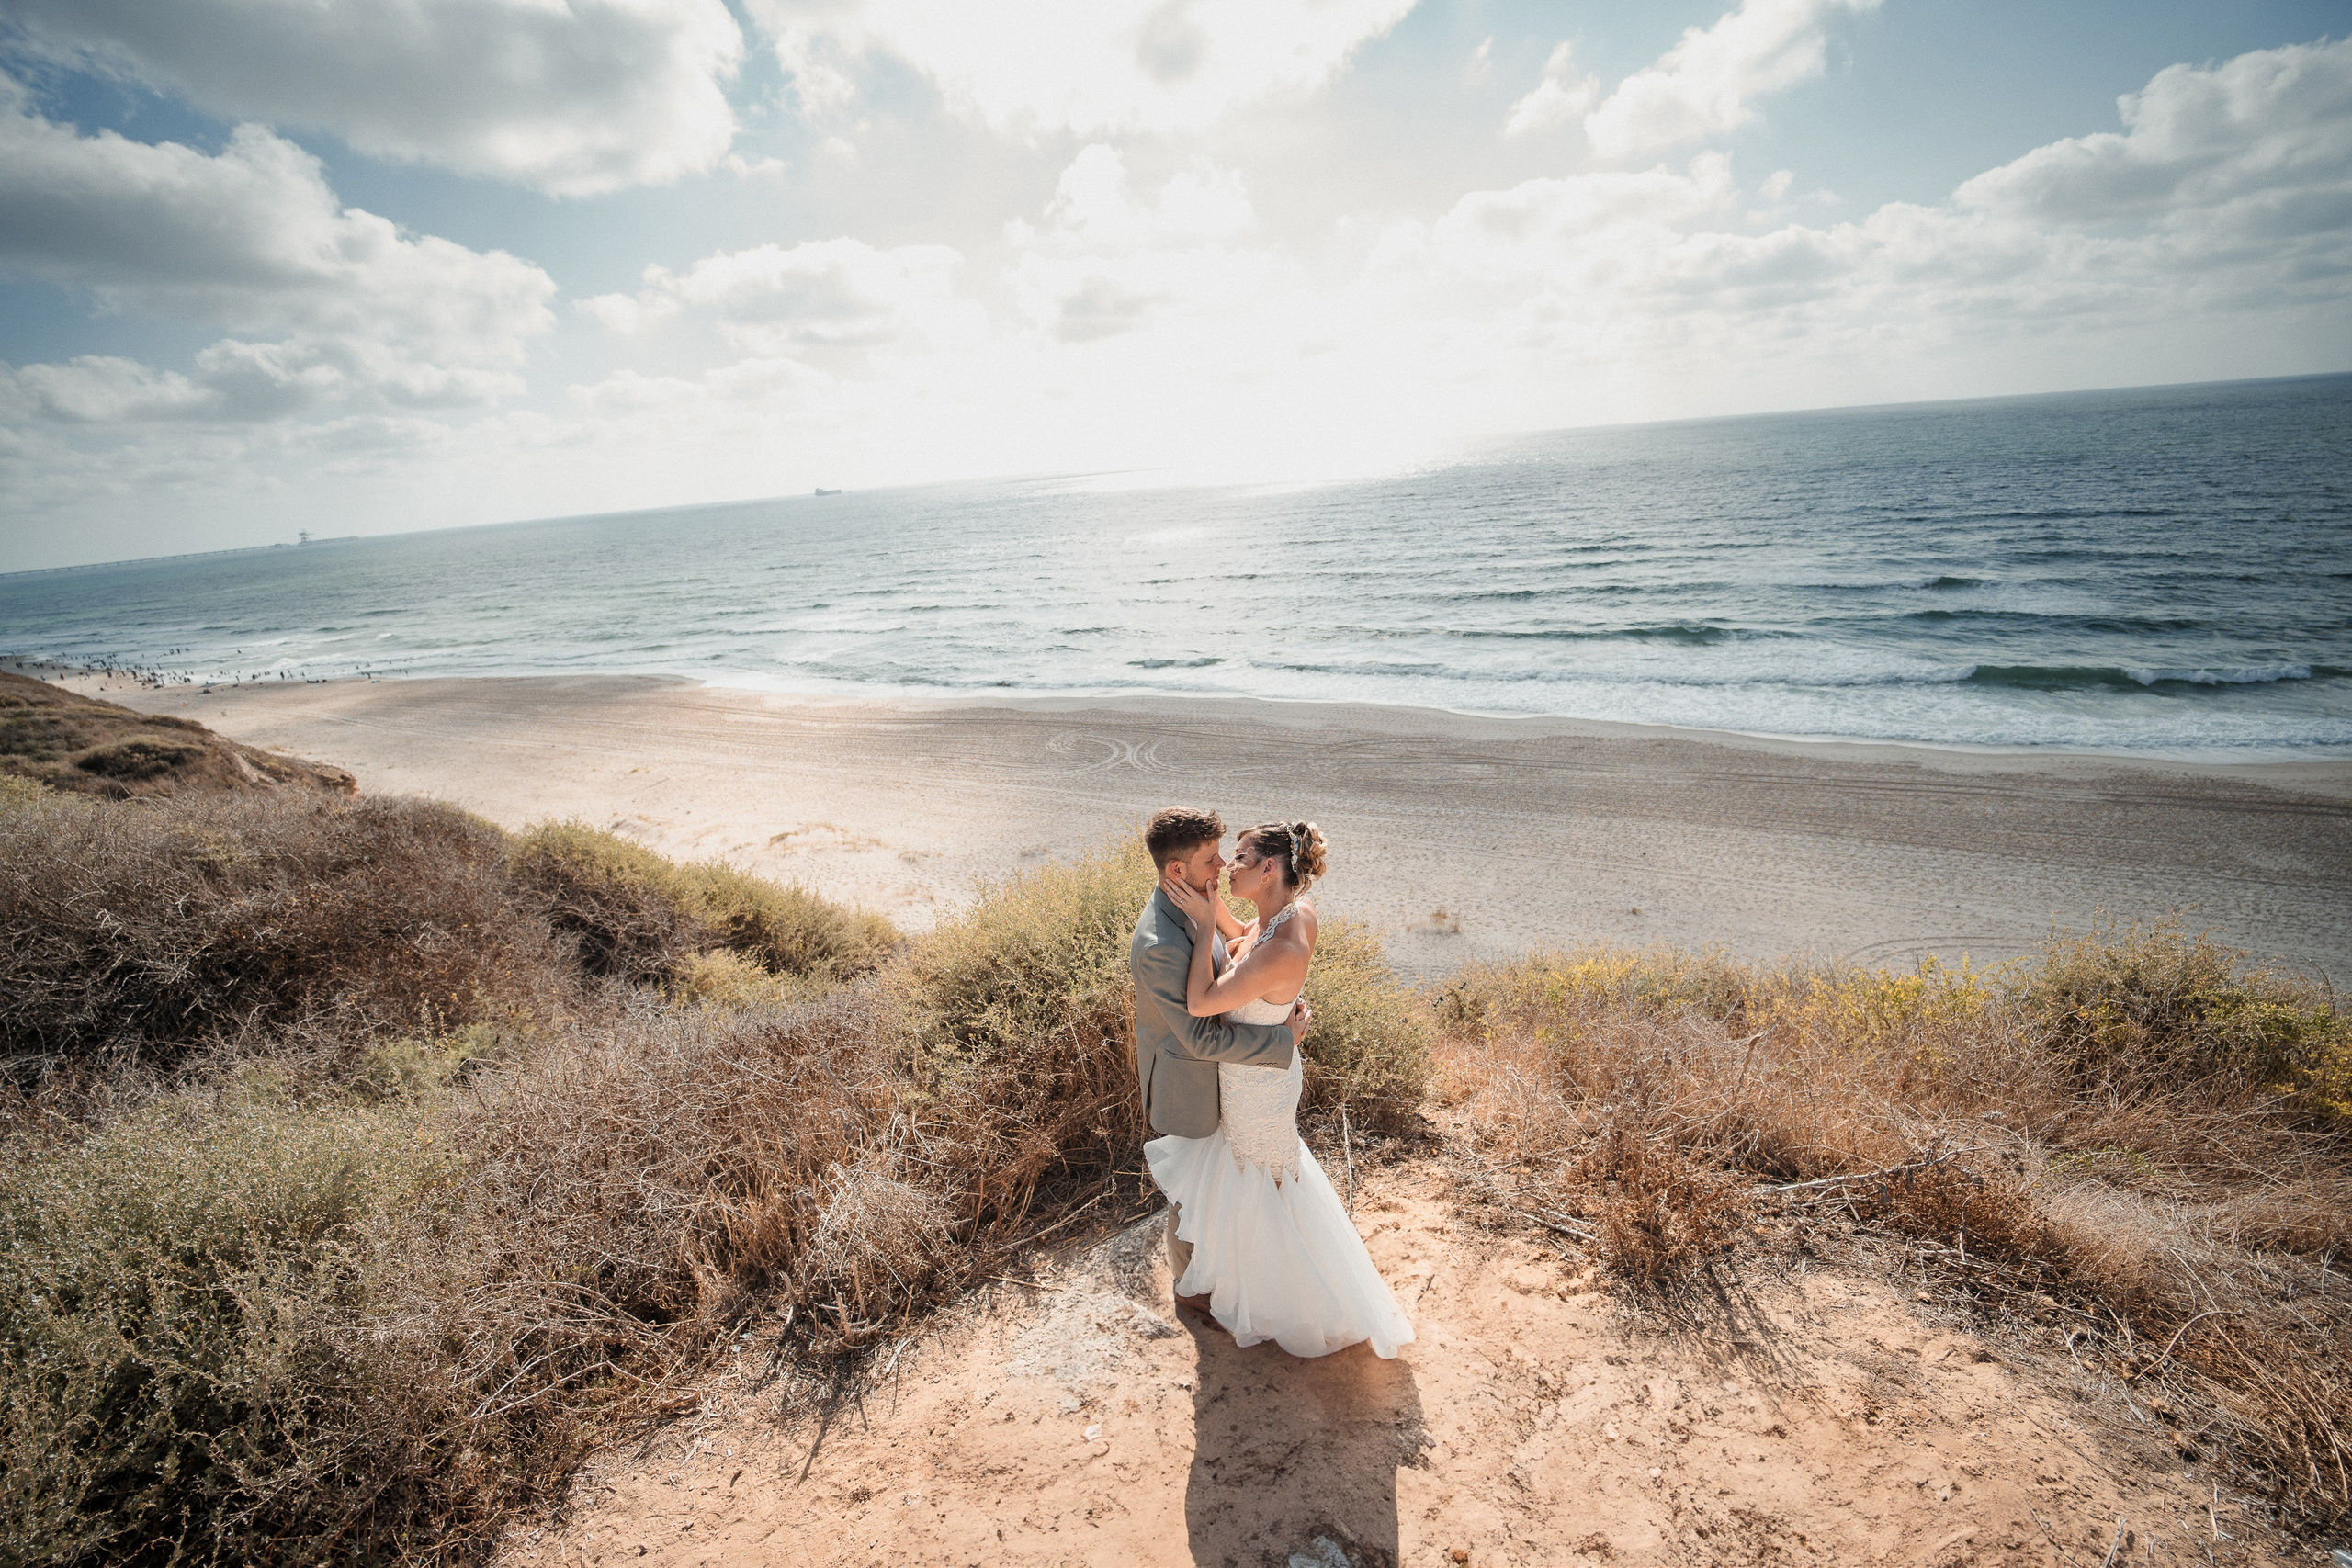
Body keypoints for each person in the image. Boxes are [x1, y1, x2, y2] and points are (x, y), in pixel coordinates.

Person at [1130, 810, 1415, 1359]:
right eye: (1217, 857)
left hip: (1256, 1083)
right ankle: (1218, 1279)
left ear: (1266, 871)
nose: (1224, 867)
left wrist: (1210, 920)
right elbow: (1245, 943)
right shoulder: (1291, 912)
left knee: (1260, 1183)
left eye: (1234, 858)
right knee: (1236, 1178)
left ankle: (1279, 1293)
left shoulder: (1283, 941)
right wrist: (1215, 912)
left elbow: (1207, 1000)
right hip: (1247, 1073)